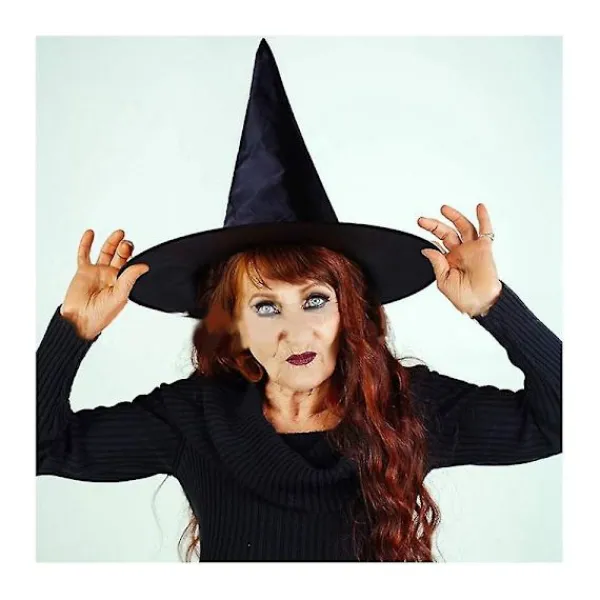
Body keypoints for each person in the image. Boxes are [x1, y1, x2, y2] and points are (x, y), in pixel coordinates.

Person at [36, 39, 562, 562]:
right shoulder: (195, 418)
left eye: (315, 300)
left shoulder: (406, 406)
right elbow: (39, 447)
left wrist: (494, 305)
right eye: (266, 307)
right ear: (235, 324)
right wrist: (72, 330)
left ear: (348, 311)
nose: (296, 331)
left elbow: (560, 423)